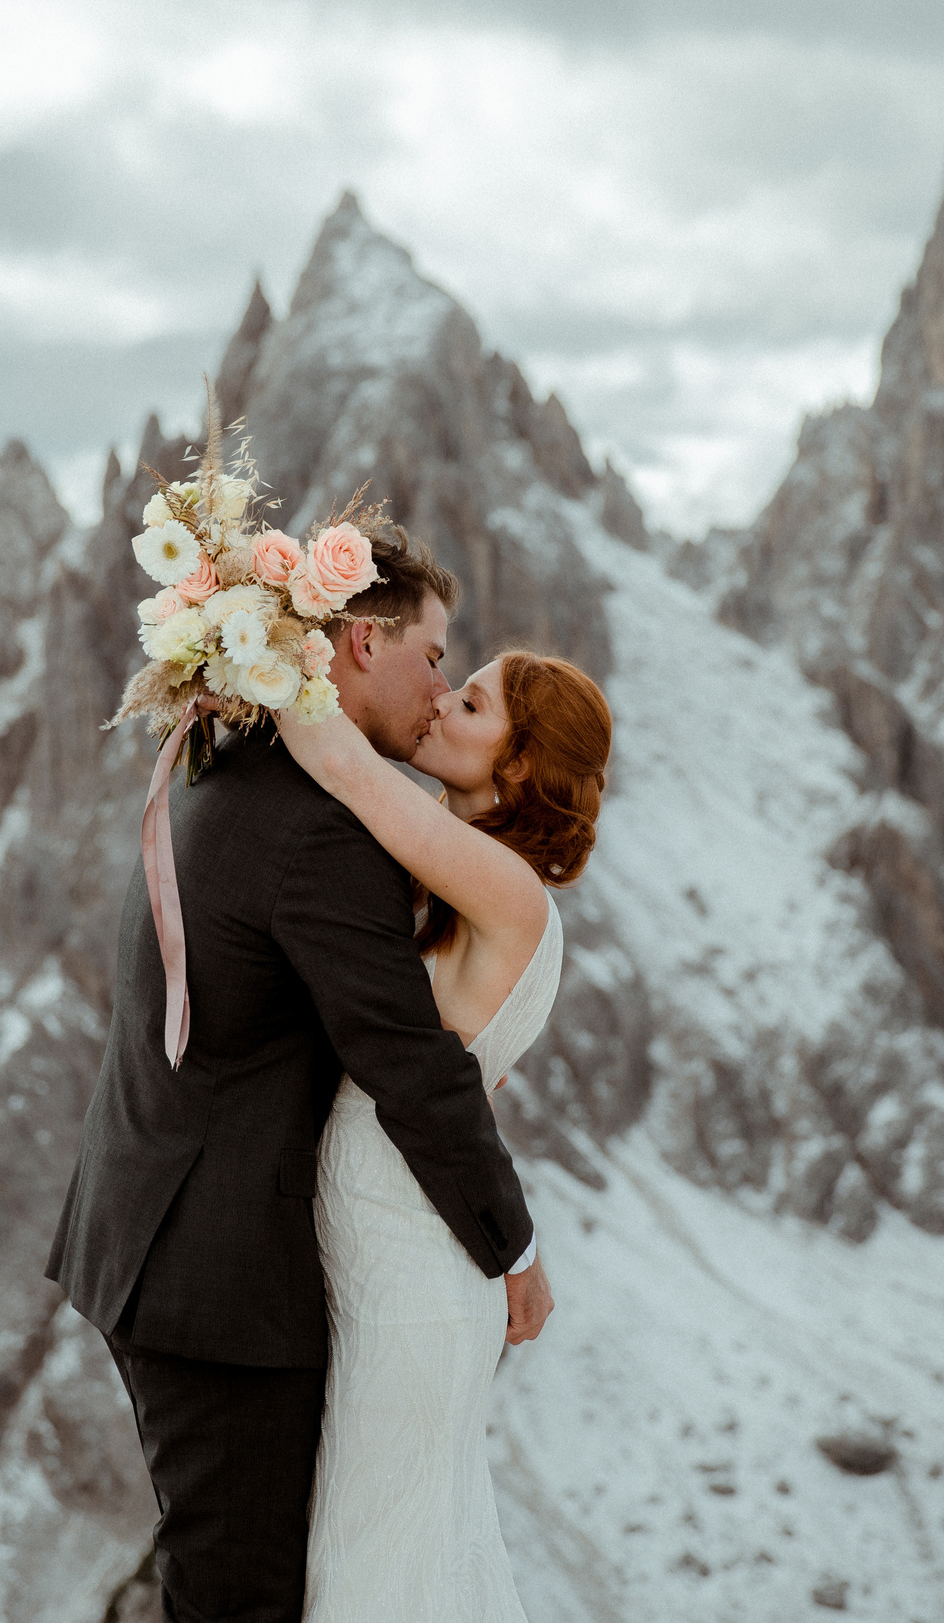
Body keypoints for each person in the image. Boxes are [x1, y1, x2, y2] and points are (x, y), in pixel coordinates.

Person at [45, 531, 552, 1621]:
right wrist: (511, 1246)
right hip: (218, 1280)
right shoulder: (321, 831)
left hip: (157, 1230)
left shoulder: (229, 757)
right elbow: (409, 1064)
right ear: (361, 642)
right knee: (238, 1598)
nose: (437, 688)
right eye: (433, 657)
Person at [278, 644, 609, 1622]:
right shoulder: (472, 893)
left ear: (515, 767)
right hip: (401, 1264)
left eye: (469, 703)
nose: (440, 706)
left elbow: (339, 763)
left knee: (370, 1573)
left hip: (408, 1289)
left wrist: (263, 636)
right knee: (391, 1565)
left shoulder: (505, 893)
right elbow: (471, 1098)